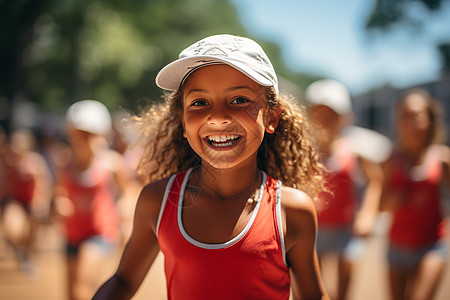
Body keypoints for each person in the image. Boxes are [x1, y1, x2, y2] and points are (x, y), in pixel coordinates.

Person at [93, 34, 330, 300]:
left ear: (272, 117)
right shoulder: (158, 201)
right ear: (183, 122)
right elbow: (124, 280)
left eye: (239, 99)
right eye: (200, 102)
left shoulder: (291, 210)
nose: (217, 117)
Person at [305, 79, 385, 300]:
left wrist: (368, 213)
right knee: (313, 288)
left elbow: (376, 180)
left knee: (344, 289)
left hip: (347, 231)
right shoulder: (304, 154)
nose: (324, 122)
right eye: (318, 115)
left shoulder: (355, 151)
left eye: (331, 116)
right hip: (315, 231)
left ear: (343, 118)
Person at [54, 100, 141, 300]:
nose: (82, 139)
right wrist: (59, 202)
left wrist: (125, 206)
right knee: (71, 293)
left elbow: (131, 192)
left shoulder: (111, 164)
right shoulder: (65, 163)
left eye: (88, 134)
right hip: (72, 233)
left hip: (100, 234)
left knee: (81, 289)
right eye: (78, 134)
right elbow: (59, 191)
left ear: (101, 135)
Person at [381, 88, 449, 300]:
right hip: (396, 247)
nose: (411, 123)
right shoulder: (391, 161)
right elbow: (380, 205)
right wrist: (394, 200)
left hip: (432, 246)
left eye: (417, 116)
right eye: (405, 116)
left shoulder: (443, 159)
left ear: (430, 120)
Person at [0, 128, 53, 279]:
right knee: (13, 230)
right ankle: (20, 249)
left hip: (32, 202)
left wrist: (41, 203)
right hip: (15, 201)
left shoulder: (35, 162)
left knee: (31, 235)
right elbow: (7, 186)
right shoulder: (9, 162)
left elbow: (43, 184)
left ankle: (28, 257)